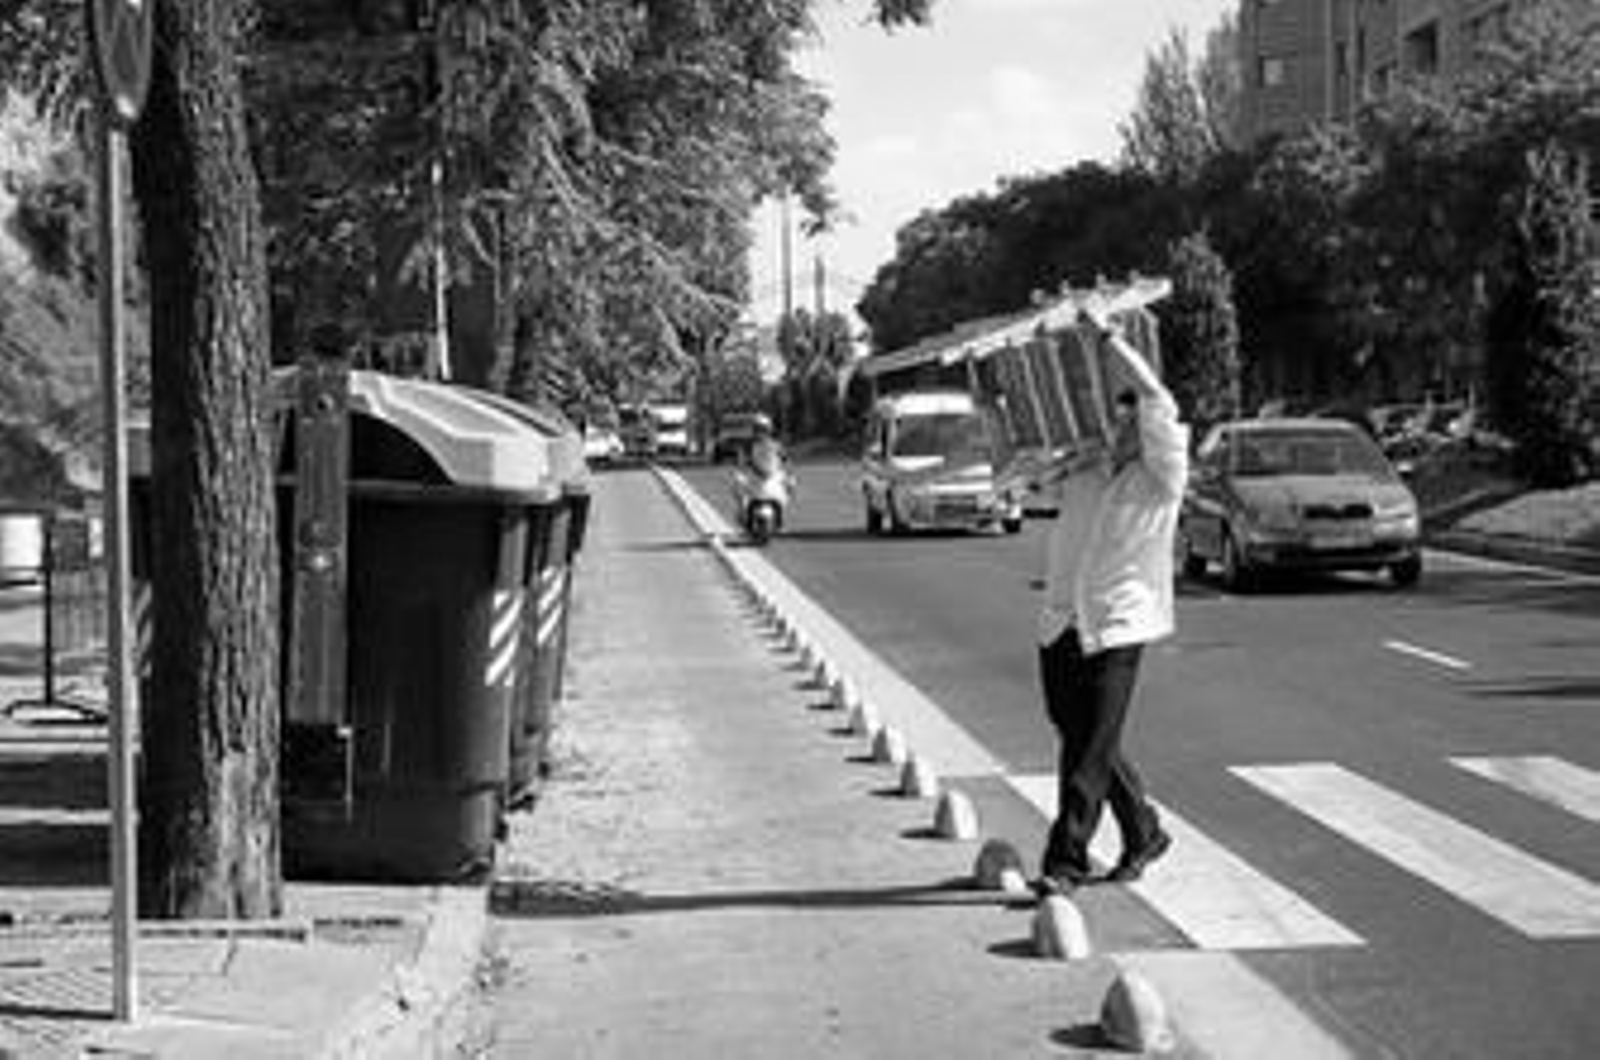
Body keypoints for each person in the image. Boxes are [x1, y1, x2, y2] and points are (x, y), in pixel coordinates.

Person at [1032, 317, 1190, 895]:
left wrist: (1107, 340)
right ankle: (1144, 830)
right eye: (1117, 417)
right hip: (1060, 620)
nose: (1124, 426)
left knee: (1086, 751)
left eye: (1133, 418)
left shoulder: (1163, 476)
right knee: (1081, 733)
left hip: (1119, 624)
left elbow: (1158, 398)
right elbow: (1023, 484)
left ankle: (1064, 860)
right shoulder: (1088, 470)